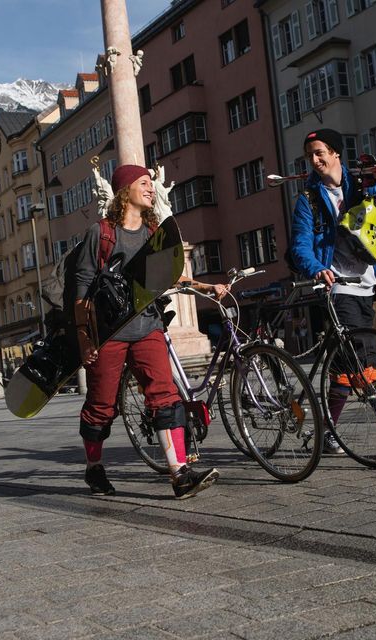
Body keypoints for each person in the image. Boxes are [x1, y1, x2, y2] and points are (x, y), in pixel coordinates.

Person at [75, 164, 228, 499]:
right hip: (109, 334)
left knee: (165, 396)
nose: (150, 188)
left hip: (148, 328)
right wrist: (85, 338)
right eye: (143, 183)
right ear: (125, 190)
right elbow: (83, 286)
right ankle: (94, 468)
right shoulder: (101, 233)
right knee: (101, 406)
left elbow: (168, 277)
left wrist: (205, 285)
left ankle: (179, 474)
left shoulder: (152, 232)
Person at [290, 128, 376, 453]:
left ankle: (325, 435)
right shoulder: (308, 199)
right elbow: (300, 246)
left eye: (321, 151)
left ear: (336, 153)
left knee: (342, 369)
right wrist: (316, 268)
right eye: (310, 154)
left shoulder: (364, 188)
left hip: (369, 290)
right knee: (364, 361)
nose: (315, 159)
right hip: (337, 290)